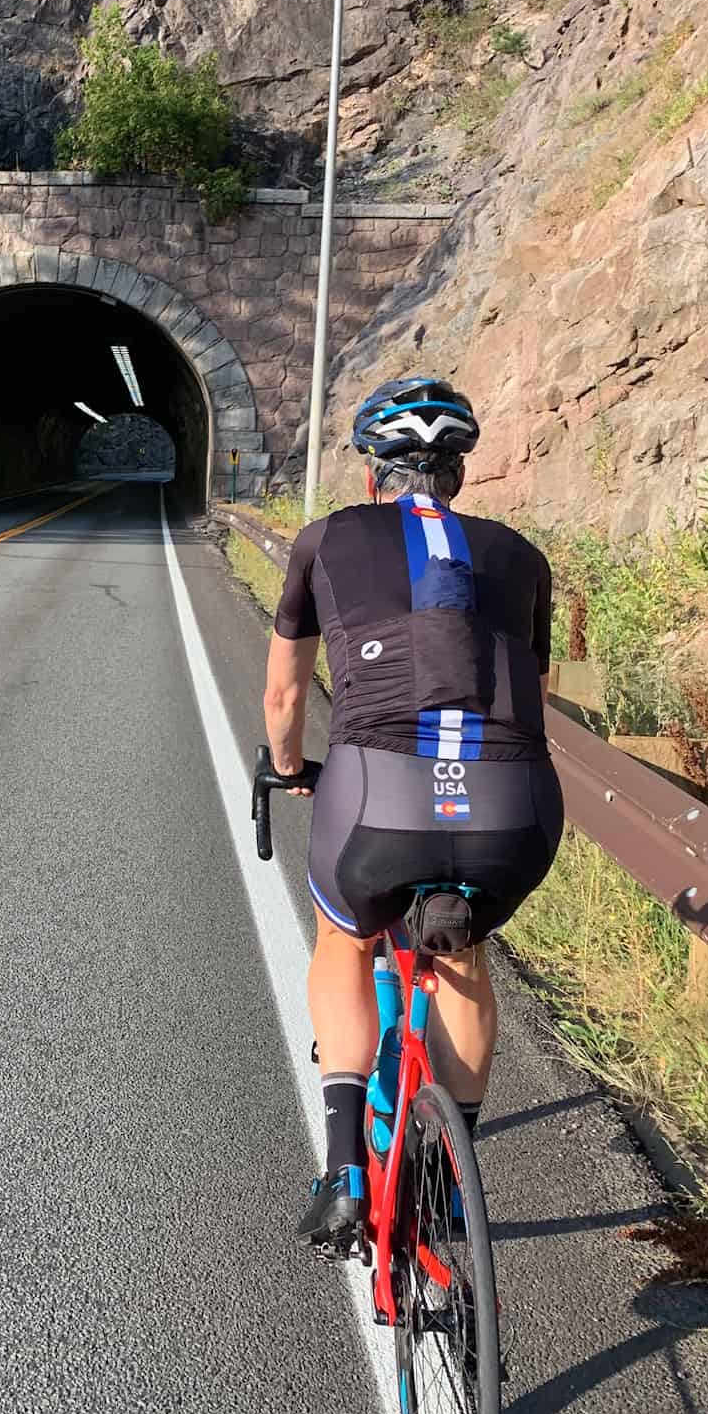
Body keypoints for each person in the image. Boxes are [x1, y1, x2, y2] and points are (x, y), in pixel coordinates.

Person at [263, 378, 564, 1247]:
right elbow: (522, 691)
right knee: (463, 953)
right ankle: (447, 1171)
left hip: (375, 793)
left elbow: (285, 694)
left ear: (372, 477)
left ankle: (344, 1168)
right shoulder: (519, 554)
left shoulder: (326, 539)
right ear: (460, 476)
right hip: (513, 807)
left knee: (346, 940)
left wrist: (289, 769)